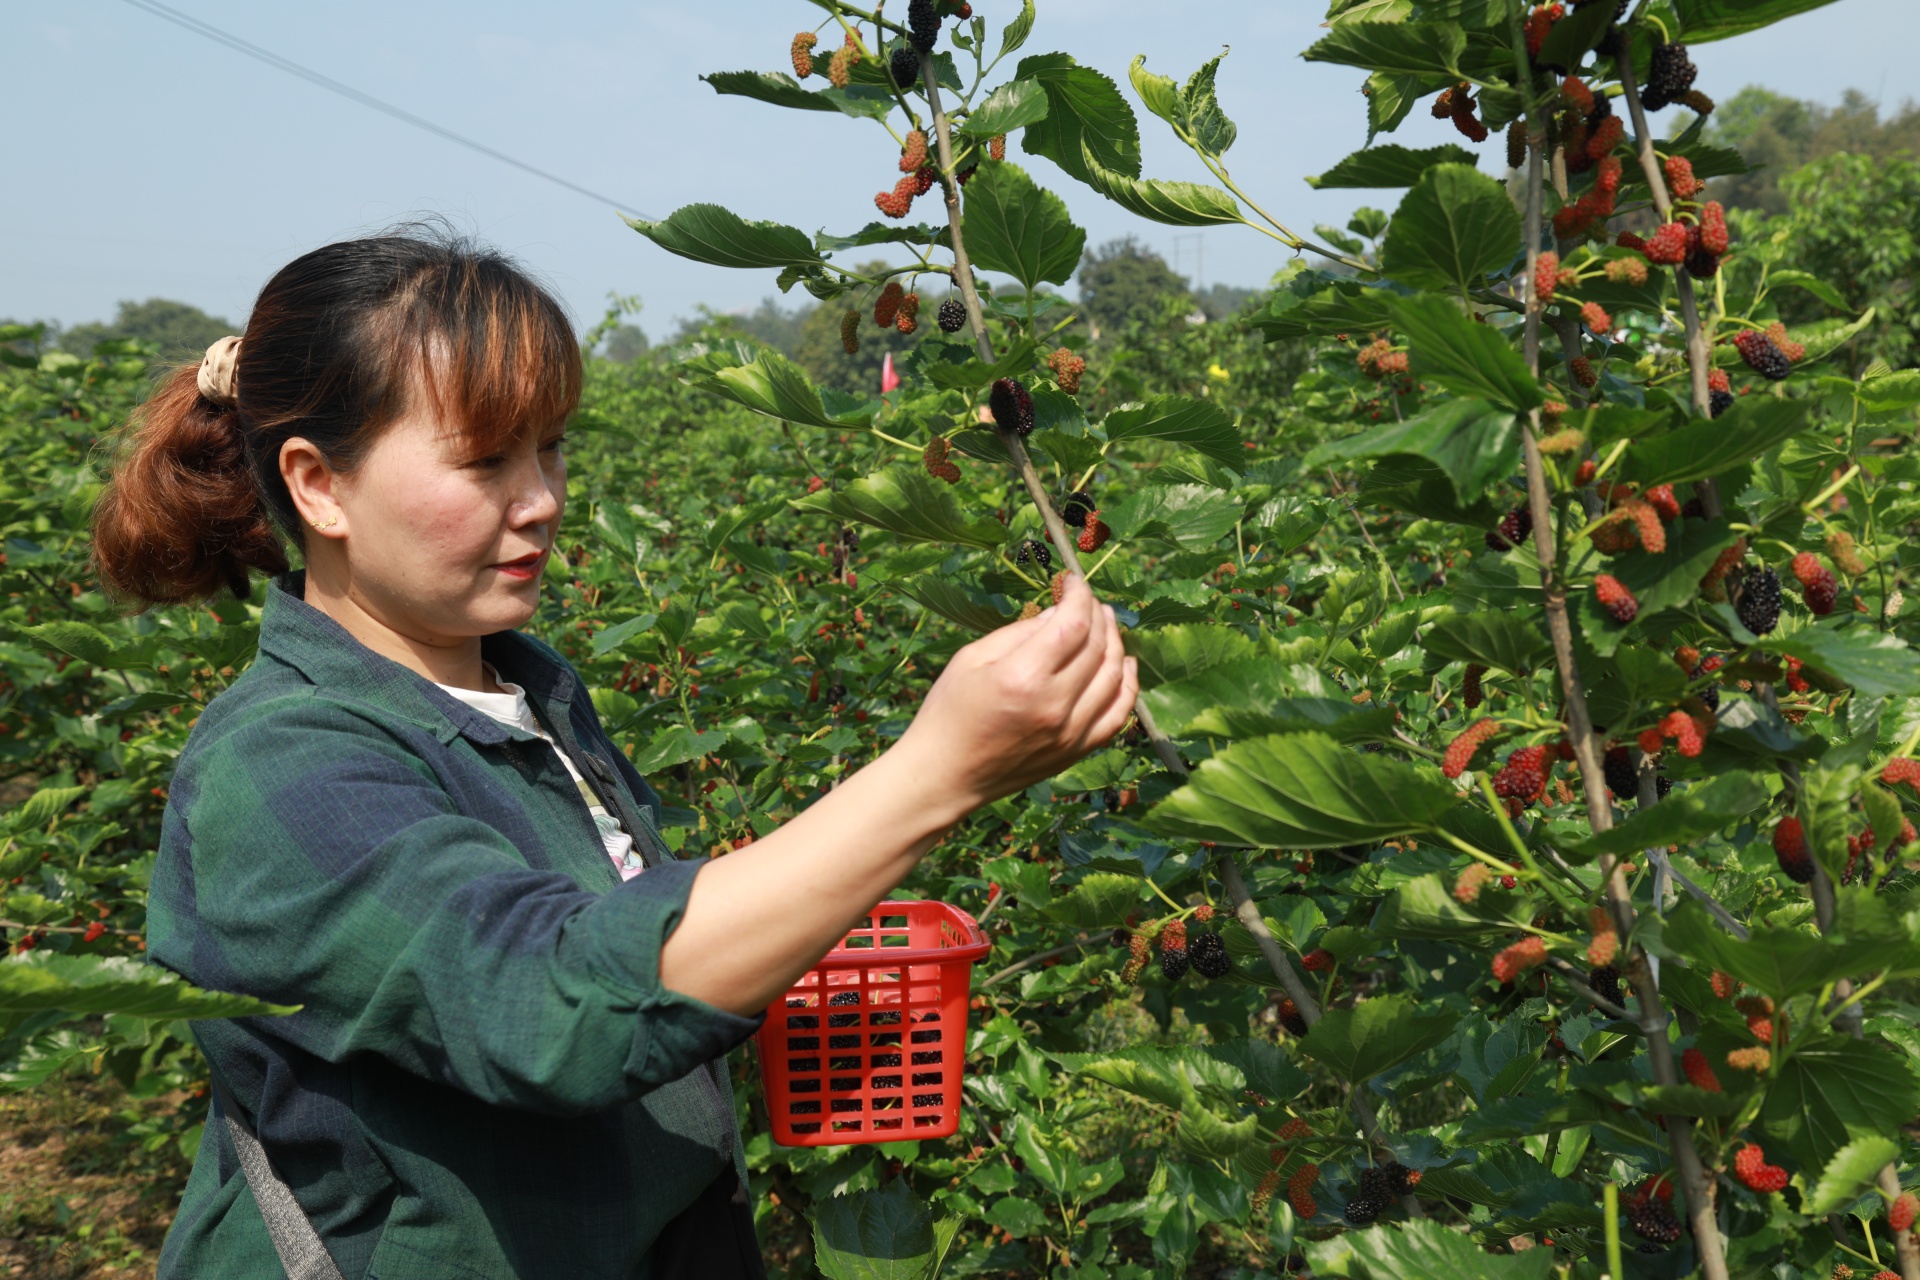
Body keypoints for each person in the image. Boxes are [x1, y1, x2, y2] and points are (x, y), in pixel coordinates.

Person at [89, 228, 1137, 1279]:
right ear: (319, 486)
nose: (541, 495)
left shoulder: (523, 688)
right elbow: (546, 1004)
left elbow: (624, 931)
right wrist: (937, 769)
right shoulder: (277, 766)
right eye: (484, 457)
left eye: (551, 444)